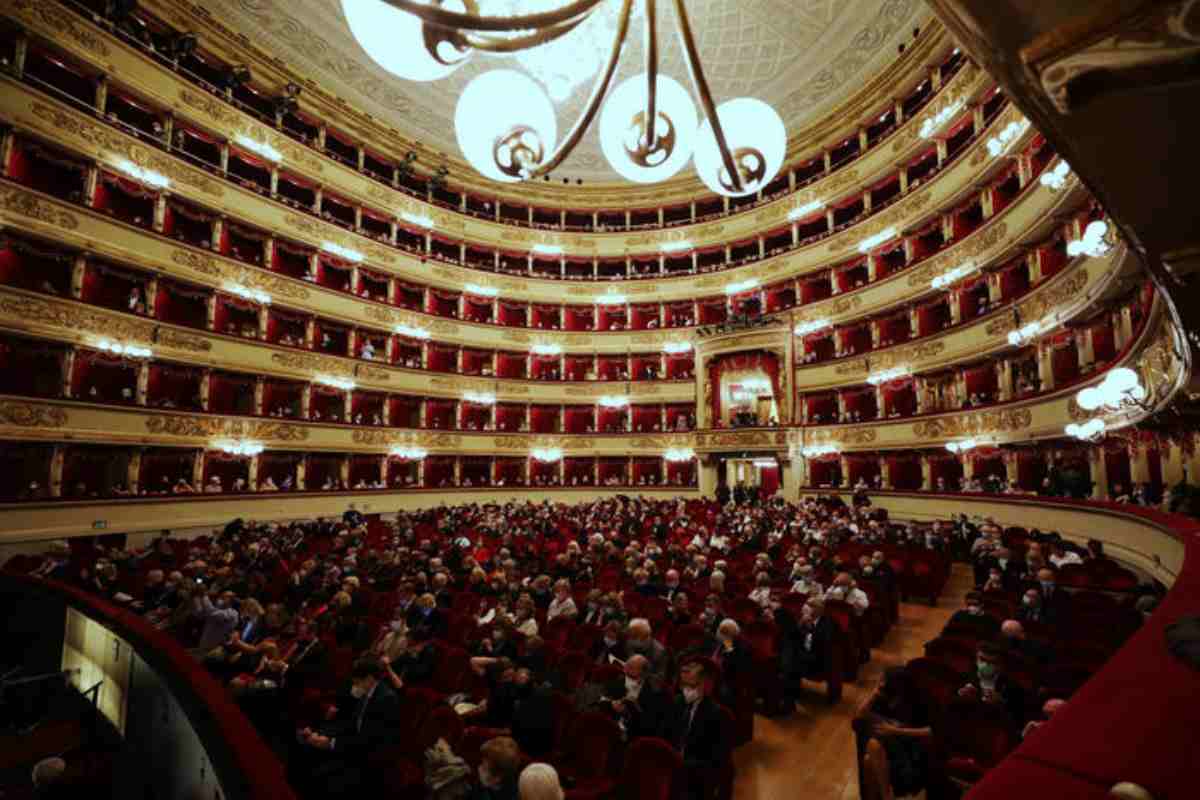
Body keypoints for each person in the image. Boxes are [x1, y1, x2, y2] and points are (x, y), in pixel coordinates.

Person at [294, 659, 401, 795]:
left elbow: (368, 740)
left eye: (357, 681)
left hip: (366, 756)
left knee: (318, 773)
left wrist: (331, 743)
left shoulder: (386, 699)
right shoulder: (368, 690)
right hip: (354, 742)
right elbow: (352, 723)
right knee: (306, 744)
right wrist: (320, 733)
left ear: (368, 679)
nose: (355, 685)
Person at [855, 668, 932, 800]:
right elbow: (860, 715)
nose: (881, 683)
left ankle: (886, 796)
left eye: (884, 681)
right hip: (886, 746)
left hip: (908, 745)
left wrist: (895, 730)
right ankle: (886, 796)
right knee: (869, 759)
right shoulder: (883, 696)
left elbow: (932, 730)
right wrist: (874, 693)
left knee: (870, 756)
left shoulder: (916, 701)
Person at [664, 660, 728, 799]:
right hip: (672, 766)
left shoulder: (716, 714)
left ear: (704, 684)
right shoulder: (676, 702)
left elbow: (716, 758)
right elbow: (665, 735)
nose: (687, 690)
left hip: (697, 773)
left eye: (692, 685)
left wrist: (685, 764)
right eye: (684, 685)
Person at [957, 642, 1028, 725]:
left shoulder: (1013, 688)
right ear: (976, 659)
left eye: (992, 662)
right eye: (982, 660)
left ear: (1001, 665)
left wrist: (1000, 705)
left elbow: (1018, 720)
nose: (985, 665)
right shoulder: (963, 678)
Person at [622, 618, 670, 684]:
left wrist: (642, 676)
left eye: (634, 637)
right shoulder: (629, 644)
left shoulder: (659, 652)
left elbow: (660, 678)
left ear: (644, 636)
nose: (630, 639)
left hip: (646, 687)